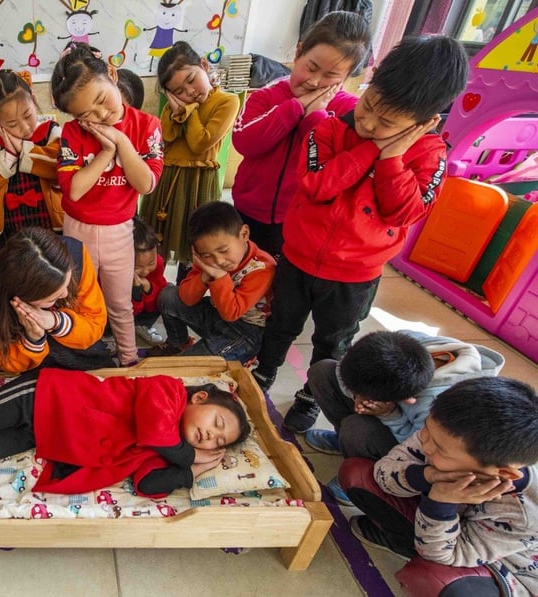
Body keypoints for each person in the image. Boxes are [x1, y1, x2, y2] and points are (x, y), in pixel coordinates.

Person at [254, 35, 470, 434]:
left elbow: (405, 212)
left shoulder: (428, 153)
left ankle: (309, 396)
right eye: (368, 106)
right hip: (299, 257)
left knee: (332, 343)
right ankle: (263, 373)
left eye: (387, 123)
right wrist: (372, 149)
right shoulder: (330, 129)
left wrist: (391, 158)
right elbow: (317, 186)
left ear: (425, 123)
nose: (369, 124)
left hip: (354, 276)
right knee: (280, 323)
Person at [0, 369, 251, 498]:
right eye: (216, 424)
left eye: (219, 442)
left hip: (42, 436)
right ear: (199, 397)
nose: (209, 439)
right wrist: (186, 455)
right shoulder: (167, 392)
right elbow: (153, 427)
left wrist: (191, 472)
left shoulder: (169, 449)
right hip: (43, 397)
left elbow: (148, 484)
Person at [339, 378, 538, 597]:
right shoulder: (444, 434)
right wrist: (427, 476)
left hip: (503, 566)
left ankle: (409, 543)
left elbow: (447, 555)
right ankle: (401, 540)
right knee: (357, 473)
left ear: (503, 473)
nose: (424, 444)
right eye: (426, 429)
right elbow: (383, 471)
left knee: (434, 580)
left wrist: (441, 502)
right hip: (442, 528)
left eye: (440, 450)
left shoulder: (525, 514)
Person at [52, 42, 165, 366]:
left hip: (119, 231)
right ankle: (79, 356)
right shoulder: (72, 134)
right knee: (75, 299)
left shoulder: (147, 126)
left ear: (112, 75)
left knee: (119, 302)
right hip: (77, 231)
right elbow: (74, 190)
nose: (101, 115)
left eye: (102, 100)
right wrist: (104, 154)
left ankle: (128, 358)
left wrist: (122, 143)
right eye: (87, 114)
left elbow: (145, 183)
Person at [305, 330, 505, 504]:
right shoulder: (403, 343)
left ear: (407, 399)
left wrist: (390, 415)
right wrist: (357, 395)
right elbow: (345, 368)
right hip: (393, 405)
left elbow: (424, 450)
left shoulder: (440, 405)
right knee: (322, 371)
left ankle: (361, 471)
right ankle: (344, 442)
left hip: (413, 444)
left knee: (357, 427)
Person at [231, 11, 371, 259]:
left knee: (280, 284)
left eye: (330, 76)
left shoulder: (349, 111)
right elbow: (244, 141)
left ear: (346, 78)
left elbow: (334, 168)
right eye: (312, 67)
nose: (315, 82)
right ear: (298, 53)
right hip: (248, 211)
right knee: (243, 278)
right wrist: (294, 108)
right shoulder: (268, 95)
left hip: (302, 220)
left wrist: (315, 116)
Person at [139, 41, 240, 276]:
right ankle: (154, 288)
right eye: (178, 91)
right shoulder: (174, 106)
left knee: (195, 240)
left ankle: (187, 293)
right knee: (157, 238)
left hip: (198, 180)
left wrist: (189, 111)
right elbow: (165, 137)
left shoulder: (227, 101)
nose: (189, 92)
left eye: (191, 79)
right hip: (167, 179)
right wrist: (174, 112)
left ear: (204, 65)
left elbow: (199, 143)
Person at [0, 227, 114, 374]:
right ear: (22, 297)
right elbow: (6, 361)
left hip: (81, 351)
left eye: (67, 283)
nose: (65, 294)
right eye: (52, 298)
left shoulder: (75, 254)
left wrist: (55, 321)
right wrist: (33, 338)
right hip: (25, 373)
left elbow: (95, 323)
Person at [152, 202, 275, 364]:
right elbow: (186, 299)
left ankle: (239, 357)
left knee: (185, 366)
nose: (218, 260)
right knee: (168, 296)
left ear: (244, 233)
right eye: (207, 255)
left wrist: (218, 276)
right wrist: (204, 276)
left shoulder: (262, 267)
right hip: (217, 315)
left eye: (224, 251)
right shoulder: (207, 260)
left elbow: (232, 313)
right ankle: (178, 343)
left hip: (245, 334)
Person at [0, 70, 64, 248]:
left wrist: (24, 150)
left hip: (51, 226)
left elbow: (61, 169)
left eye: (27, 116)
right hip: (11, 230)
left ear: (34, 100)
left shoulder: (51, 131)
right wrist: (8, 156)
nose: (25, 128)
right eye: (12, 125)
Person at [131, 216, 168, 346]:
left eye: (150, 263)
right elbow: (127, 310)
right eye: (137, 267)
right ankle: (109, 334)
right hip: (121, 312)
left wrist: (149, 288)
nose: (146, 271)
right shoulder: (115, 272)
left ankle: (143, 325)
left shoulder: (158, 264)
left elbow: (154, 305)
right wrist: (135, 292)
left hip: (141, 310)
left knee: (166, 294)